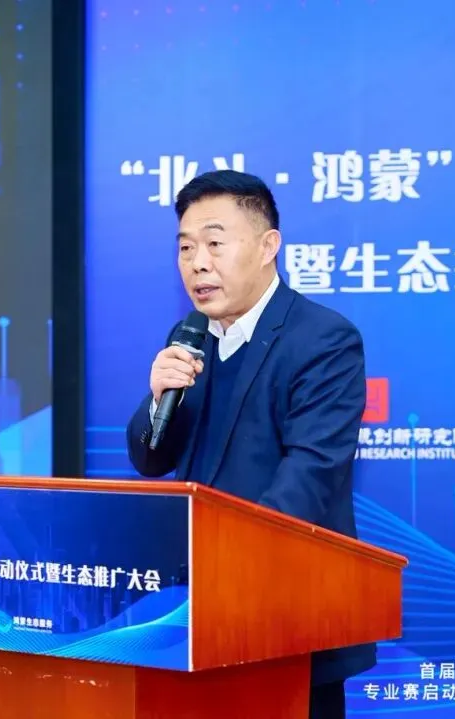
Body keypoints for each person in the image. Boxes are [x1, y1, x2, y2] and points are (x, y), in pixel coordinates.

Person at [125, 170, 371, 719]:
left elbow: (310, 474)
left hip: (284, 621)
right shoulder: (189, 338)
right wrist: (157, 398)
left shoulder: (323, 340)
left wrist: (227, 570)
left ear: (267, 246)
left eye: (215, 243)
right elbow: (150, 457)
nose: (197, 262)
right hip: (192, 620)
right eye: (186, 247)